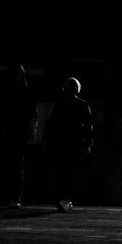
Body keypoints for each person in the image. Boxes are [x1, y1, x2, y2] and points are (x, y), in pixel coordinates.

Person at [0, 65, 37, 209]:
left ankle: (7, 197)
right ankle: (3, 197)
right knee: (5, 166)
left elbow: (30, 113)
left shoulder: (17, 92)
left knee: (11, 167)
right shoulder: (20, 92)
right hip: (8, 132)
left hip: (14, 133)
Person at [44, 77, 95, 212]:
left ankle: (66, 199)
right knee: (63, 172)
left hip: (73, 143)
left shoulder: (81, 105)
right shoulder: (61, 105)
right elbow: (52, 125)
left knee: (69, 172)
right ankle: (64, 199)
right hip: (62, 143)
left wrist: (87, 142)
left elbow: (88, 126)